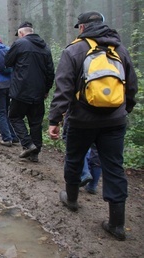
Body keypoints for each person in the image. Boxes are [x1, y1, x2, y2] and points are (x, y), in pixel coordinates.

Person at [48, 11, 138, 241]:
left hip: (81, 120)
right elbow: (131, 87)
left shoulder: (74, 50)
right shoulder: (120, 49)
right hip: (115, 120)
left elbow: (64, 88)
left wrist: (55, 120)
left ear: (82, 28)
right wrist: (122, 112)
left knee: (75, 158)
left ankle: (72, 199)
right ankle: (117, 224)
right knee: (114, 167)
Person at [5, 21, 55, 162]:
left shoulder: (20, 44)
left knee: (14, 117)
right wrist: (46, 89)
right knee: (35, 123)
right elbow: (51, 72)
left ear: (21, 33)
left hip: (21, 91)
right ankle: (35, 154)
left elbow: (7, 61)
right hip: (39, 92)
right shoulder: (45, 47)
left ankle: (28, 144)